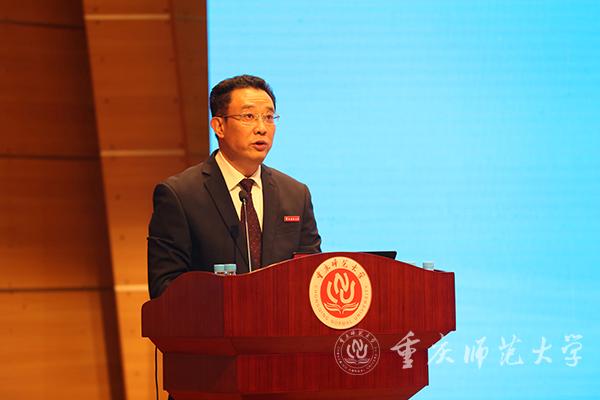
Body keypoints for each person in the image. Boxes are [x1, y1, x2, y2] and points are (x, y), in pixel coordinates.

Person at [147, 75, 321, 298]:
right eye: (249, 116)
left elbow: (312, 276)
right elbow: (165, 286)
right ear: (219, 126)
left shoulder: (296, 195)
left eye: (269, 117)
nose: (262, 128)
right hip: (212, 319)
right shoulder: (180, 195)